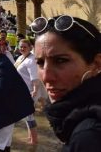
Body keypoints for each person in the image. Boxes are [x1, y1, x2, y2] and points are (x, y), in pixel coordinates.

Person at [31, 15, 101, 151]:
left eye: (60, 61)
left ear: (96, 64)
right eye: (40, 63)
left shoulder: (89, 137)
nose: (46, 77)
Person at [14, 39, 39, 145]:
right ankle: (30, 138)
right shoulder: (21, 57)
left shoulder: (31, 60)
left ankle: (34, 141)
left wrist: (34, 90)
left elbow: (34, 77)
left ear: (30, 47)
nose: (22, 48)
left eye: (24, 47)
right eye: (20, 46)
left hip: (29, 91)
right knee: (27, 116)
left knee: (29, 116)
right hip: (21, 91)